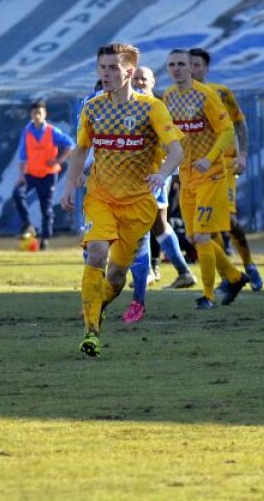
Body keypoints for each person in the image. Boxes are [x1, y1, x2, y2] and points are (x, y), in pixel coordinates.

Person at [60, 44, 184, 357]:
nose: (106, 73)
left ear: (130, 72)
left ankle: (97, 307)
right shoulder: (92, 108)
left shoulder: (151, 108)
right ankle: (91, 332)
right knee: (96, 254)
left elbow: (177, 151)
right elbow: (80, 150)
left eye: (113, 68)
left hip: (139, 203)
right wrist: (69, 185)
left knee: (116, 275)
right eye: (102, 67)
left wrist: (162, 174)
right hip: (101, 196)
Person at [163, 49, 250, 309]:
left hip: (210, 175)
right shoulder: (168, 97)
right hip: (187, 177)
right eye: (172, 65)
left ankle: (209, 295)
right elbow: (170, 136)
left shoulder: (207, 96)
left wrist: (210, 158)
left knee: (201, 237)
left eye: (181, 64)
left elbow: (226, 131)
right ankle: (235, 277)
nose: (176, 68)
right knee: (193, 237)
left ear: (192, 67)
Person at [121, 66, 197, 324]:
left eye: (145, 78)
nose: (140, 82)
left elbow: (172, 145)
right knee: (157, 225)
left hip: (153, 179)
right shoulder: (135, 106)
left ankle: (159, 273)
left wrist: (169, 176)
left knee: (153, 225)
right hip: (139, 180)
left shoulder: (156, 107)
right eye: (137, 78)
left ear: (153, 81)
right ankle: (175, 271)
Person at [189, 47, 264, 290]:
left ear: (206, 68)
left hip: (224, 166)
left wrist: (242, 154)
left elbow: (239, 123)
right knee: (204, 228)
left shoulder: (221, 93)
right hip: (196, 169)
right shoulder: (178, 98)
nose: (192, 69)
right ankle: (228, 276)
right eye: (188, 64)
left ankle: (249, 265)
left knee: (228, 220)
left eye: (197, 64)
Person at [11, 99, 73, 250]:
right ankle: (28, 224)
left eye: (39, 113)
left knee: (46, 209)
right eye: (34, 113)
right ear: (31, 115)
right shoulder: (27, 132)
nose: (37, 116)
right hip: (31, 174)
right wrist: (21, 175)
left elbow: (70, 144)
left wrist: (59, 160)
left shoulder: (52, 131)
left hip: (48, 175)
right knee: (17, 194)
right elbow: (22, 155)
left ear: (45, 114)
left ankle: (45, 239)